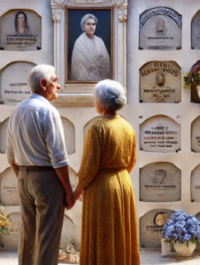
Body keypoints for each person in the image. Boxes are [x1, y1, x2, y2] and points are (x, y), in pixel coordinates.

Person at [6, 65, 75, 265]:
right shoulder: (48, 112)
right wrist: (69, 191)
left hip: (23, 177)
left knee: (28, 236)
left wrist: (24, 177)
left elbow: (10, 156)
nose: (59, 86)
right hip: (46, 179)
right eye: (55, 80)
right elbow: (59, 158)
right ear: (44, 84)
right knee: (47, 238)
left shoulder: (17, 111)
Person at [73, 80, 140, 265]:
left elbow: (88, 168)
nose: (94, 101)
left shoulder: (97, 127)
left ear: (102, 102)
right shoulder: (127, 126)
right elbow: (131, 161)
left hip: (102, 189)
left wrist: (74, 194)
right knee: (120, 234)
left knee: (102, 235)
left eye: (95, 98)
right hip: (124, 183)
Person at [70, 14, 110, 81]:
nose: (91, 27)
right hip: (85, 79)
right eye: (88, 24)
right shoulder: (79, 42)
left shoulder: (100, 41)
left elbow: (106, 61)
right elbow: (81, 64)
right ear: (83, 25)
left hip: (101, 79)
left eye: (93, 24)